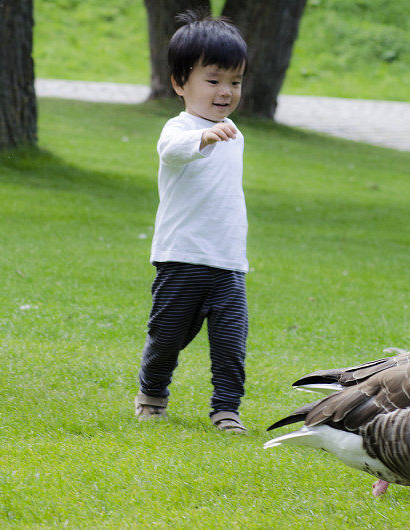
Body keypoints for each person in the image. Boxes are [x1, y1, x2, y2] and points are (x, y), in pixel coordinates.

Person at [135, 11, 249, 434]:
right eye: (214, 80)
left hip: (228, 262)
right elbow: (172, 152)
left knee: (230, 344)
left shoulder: (233, 131)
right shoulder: (178, 129)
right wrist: (201, 137)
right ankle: (152, 393)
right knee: (167, 337)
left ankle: (226, 409)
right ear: (180, 83)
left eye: (235, 82)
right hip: (181, 257)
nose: (226, 92)